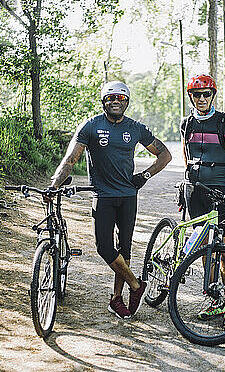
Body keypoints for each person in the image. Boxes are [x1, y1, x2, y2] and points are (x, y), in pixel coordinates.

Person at [50, 81, 172, 319]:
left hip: (128, 196)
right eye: (111, 97)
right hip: (103, 196)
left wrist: (145, 176)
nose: (116, 101)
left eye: (121, 97)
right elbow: (70, 160)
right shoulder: (91, 126)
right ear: (104, 101)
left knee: (124, 250)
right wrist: (54, 184)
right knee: (105, 248)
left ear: (126, 102)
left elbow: (165, 155)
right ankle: (136, 286)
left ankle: (116, 299)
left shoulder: (135, 128)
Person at [180, 74, 225, 330]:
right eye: (196, 94)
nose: (201, 99)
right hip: (195, 192)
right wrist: (184, 187)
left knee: (224, 250)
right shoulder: (186, 123)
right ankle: (214, 298)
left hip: (220, 192)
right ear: (191, 96)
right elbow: (187, 156)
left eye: (206, 94)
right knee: (202, 247)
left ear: (213, 95)